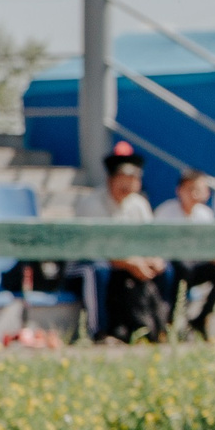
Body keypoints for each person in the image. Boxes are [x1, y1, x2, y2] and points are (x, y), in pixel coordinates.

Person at [76, 143, 170, 343]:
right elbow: (94, 249)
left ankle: (165, 327)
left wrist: (152, 259)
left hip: (129, 264)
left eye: (133, 179)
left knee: (165, 270)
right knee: (97, 271)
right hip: (87, 264)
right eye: (123, 179)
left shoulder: (139, 204)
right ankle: (98, 333)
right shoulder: (92, 204)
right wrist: (129, 262)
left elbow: (150, 240)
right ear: (111, 179)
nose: (128, 184)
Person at [152, 168, 215, 339]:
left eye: (200, 189)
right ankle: (170, 323)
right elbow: (159, 246)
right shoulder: (165, 212)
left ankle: (202, 318)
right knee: (182, 268)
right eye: (190, 189)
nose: (195, 194)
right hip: (169, 269)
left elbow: (209, 247)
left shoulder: (205, 215)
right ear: (179, 190)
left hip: (192, 268)